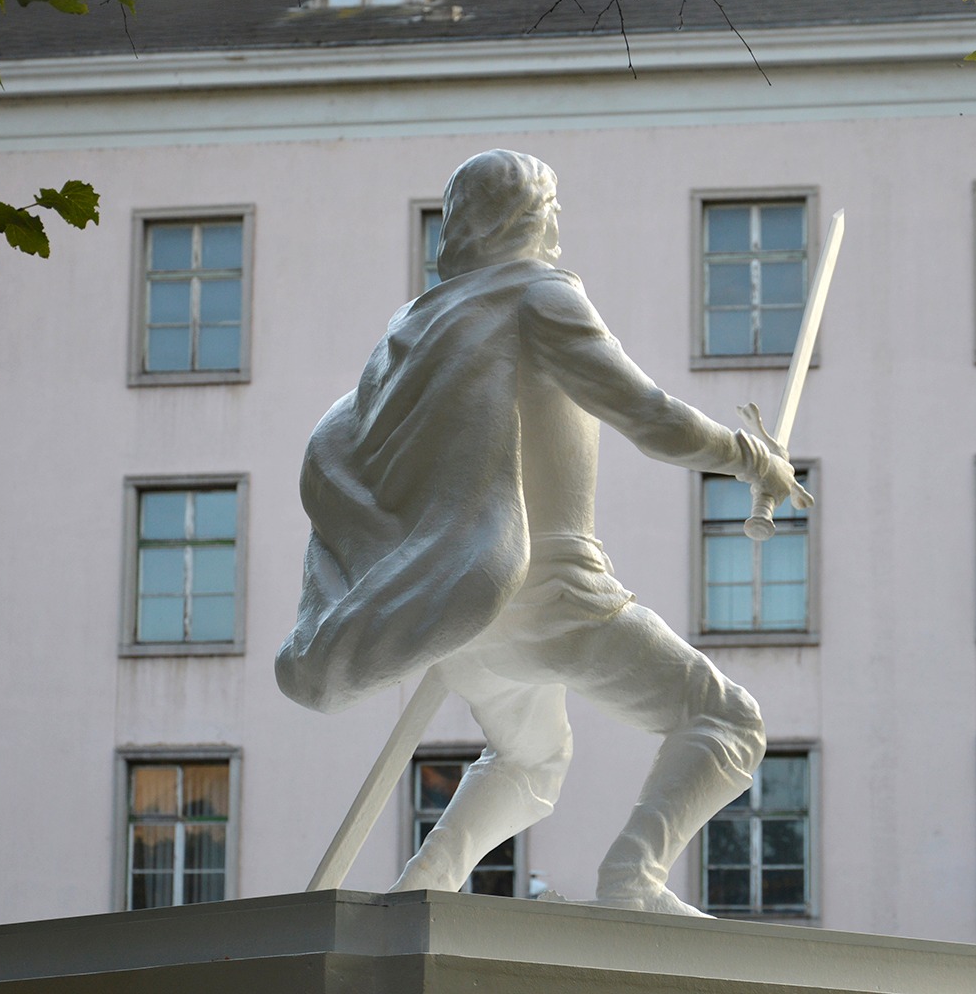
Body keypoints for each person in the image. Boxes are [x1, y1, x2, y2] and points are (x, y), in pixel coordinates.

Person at [276, 149, 810, 915]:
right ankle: (632, 882)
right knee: (727, 722)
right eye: (550, 207)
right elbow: (647, 415)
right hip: (553, 592)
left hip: (467, 613)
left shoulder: (416, 327)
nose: (557, 222)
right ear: (531, 218)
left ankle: (421, 891)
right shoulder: (540, 296)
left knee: (531, 760)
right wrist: (752, 458)